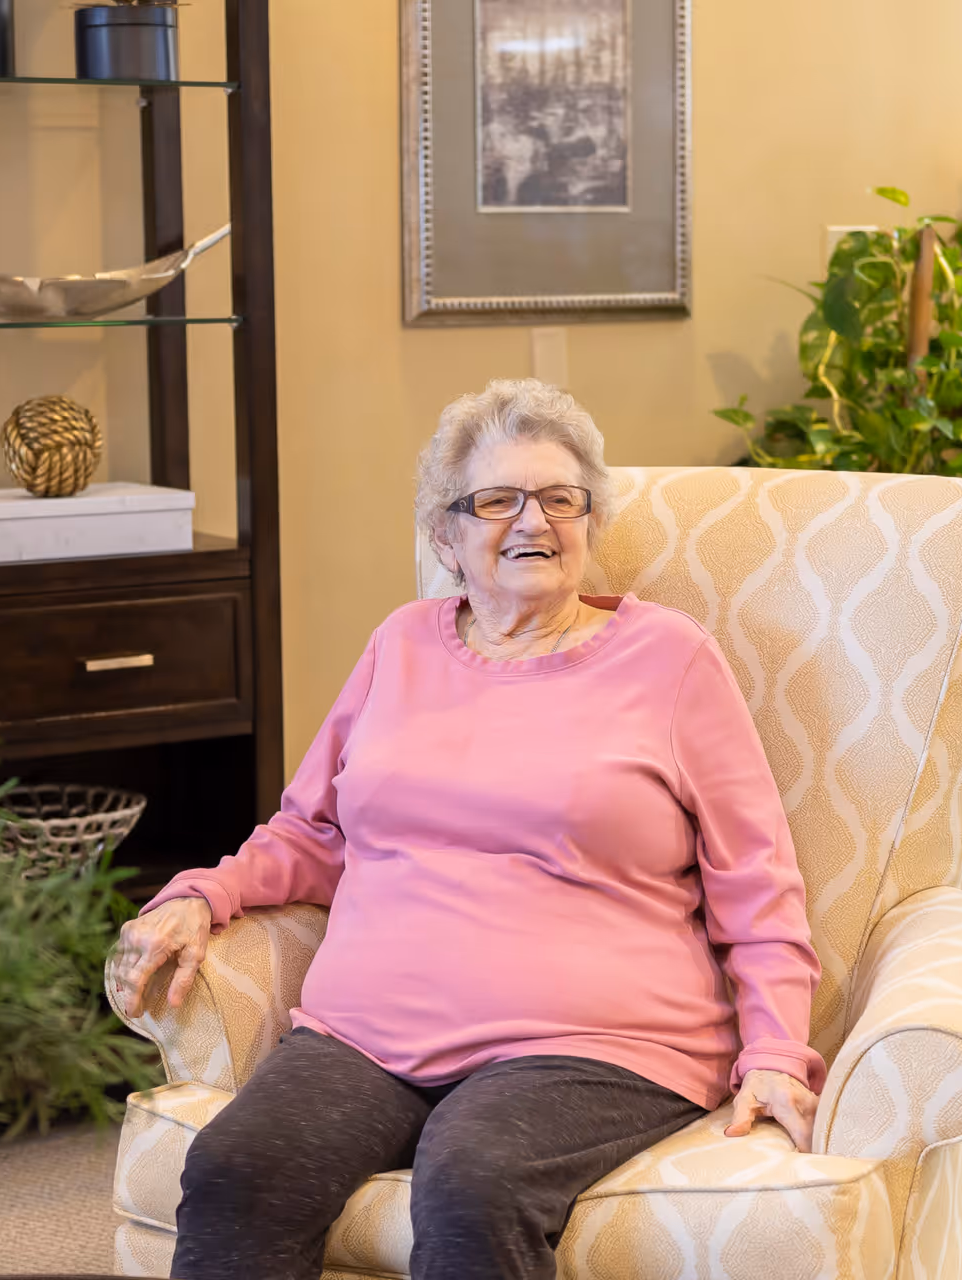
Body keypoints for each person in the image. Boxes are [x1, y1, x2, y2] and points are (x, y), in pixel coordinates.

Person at [109, 378, 824, 1280]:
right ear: (445, 537)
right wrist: (203, 894)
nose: (535, 520)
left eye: (562, 499)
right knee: (237, 1168)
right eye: (497, 500)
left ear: (589, 524)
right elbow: (315, 832)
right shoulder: (400, 645)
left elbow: (754, 877)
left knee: (472, 1178)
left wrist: (774, 1051)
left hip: (593, 1045)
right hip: (365, 1035)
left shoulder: (669, 659)